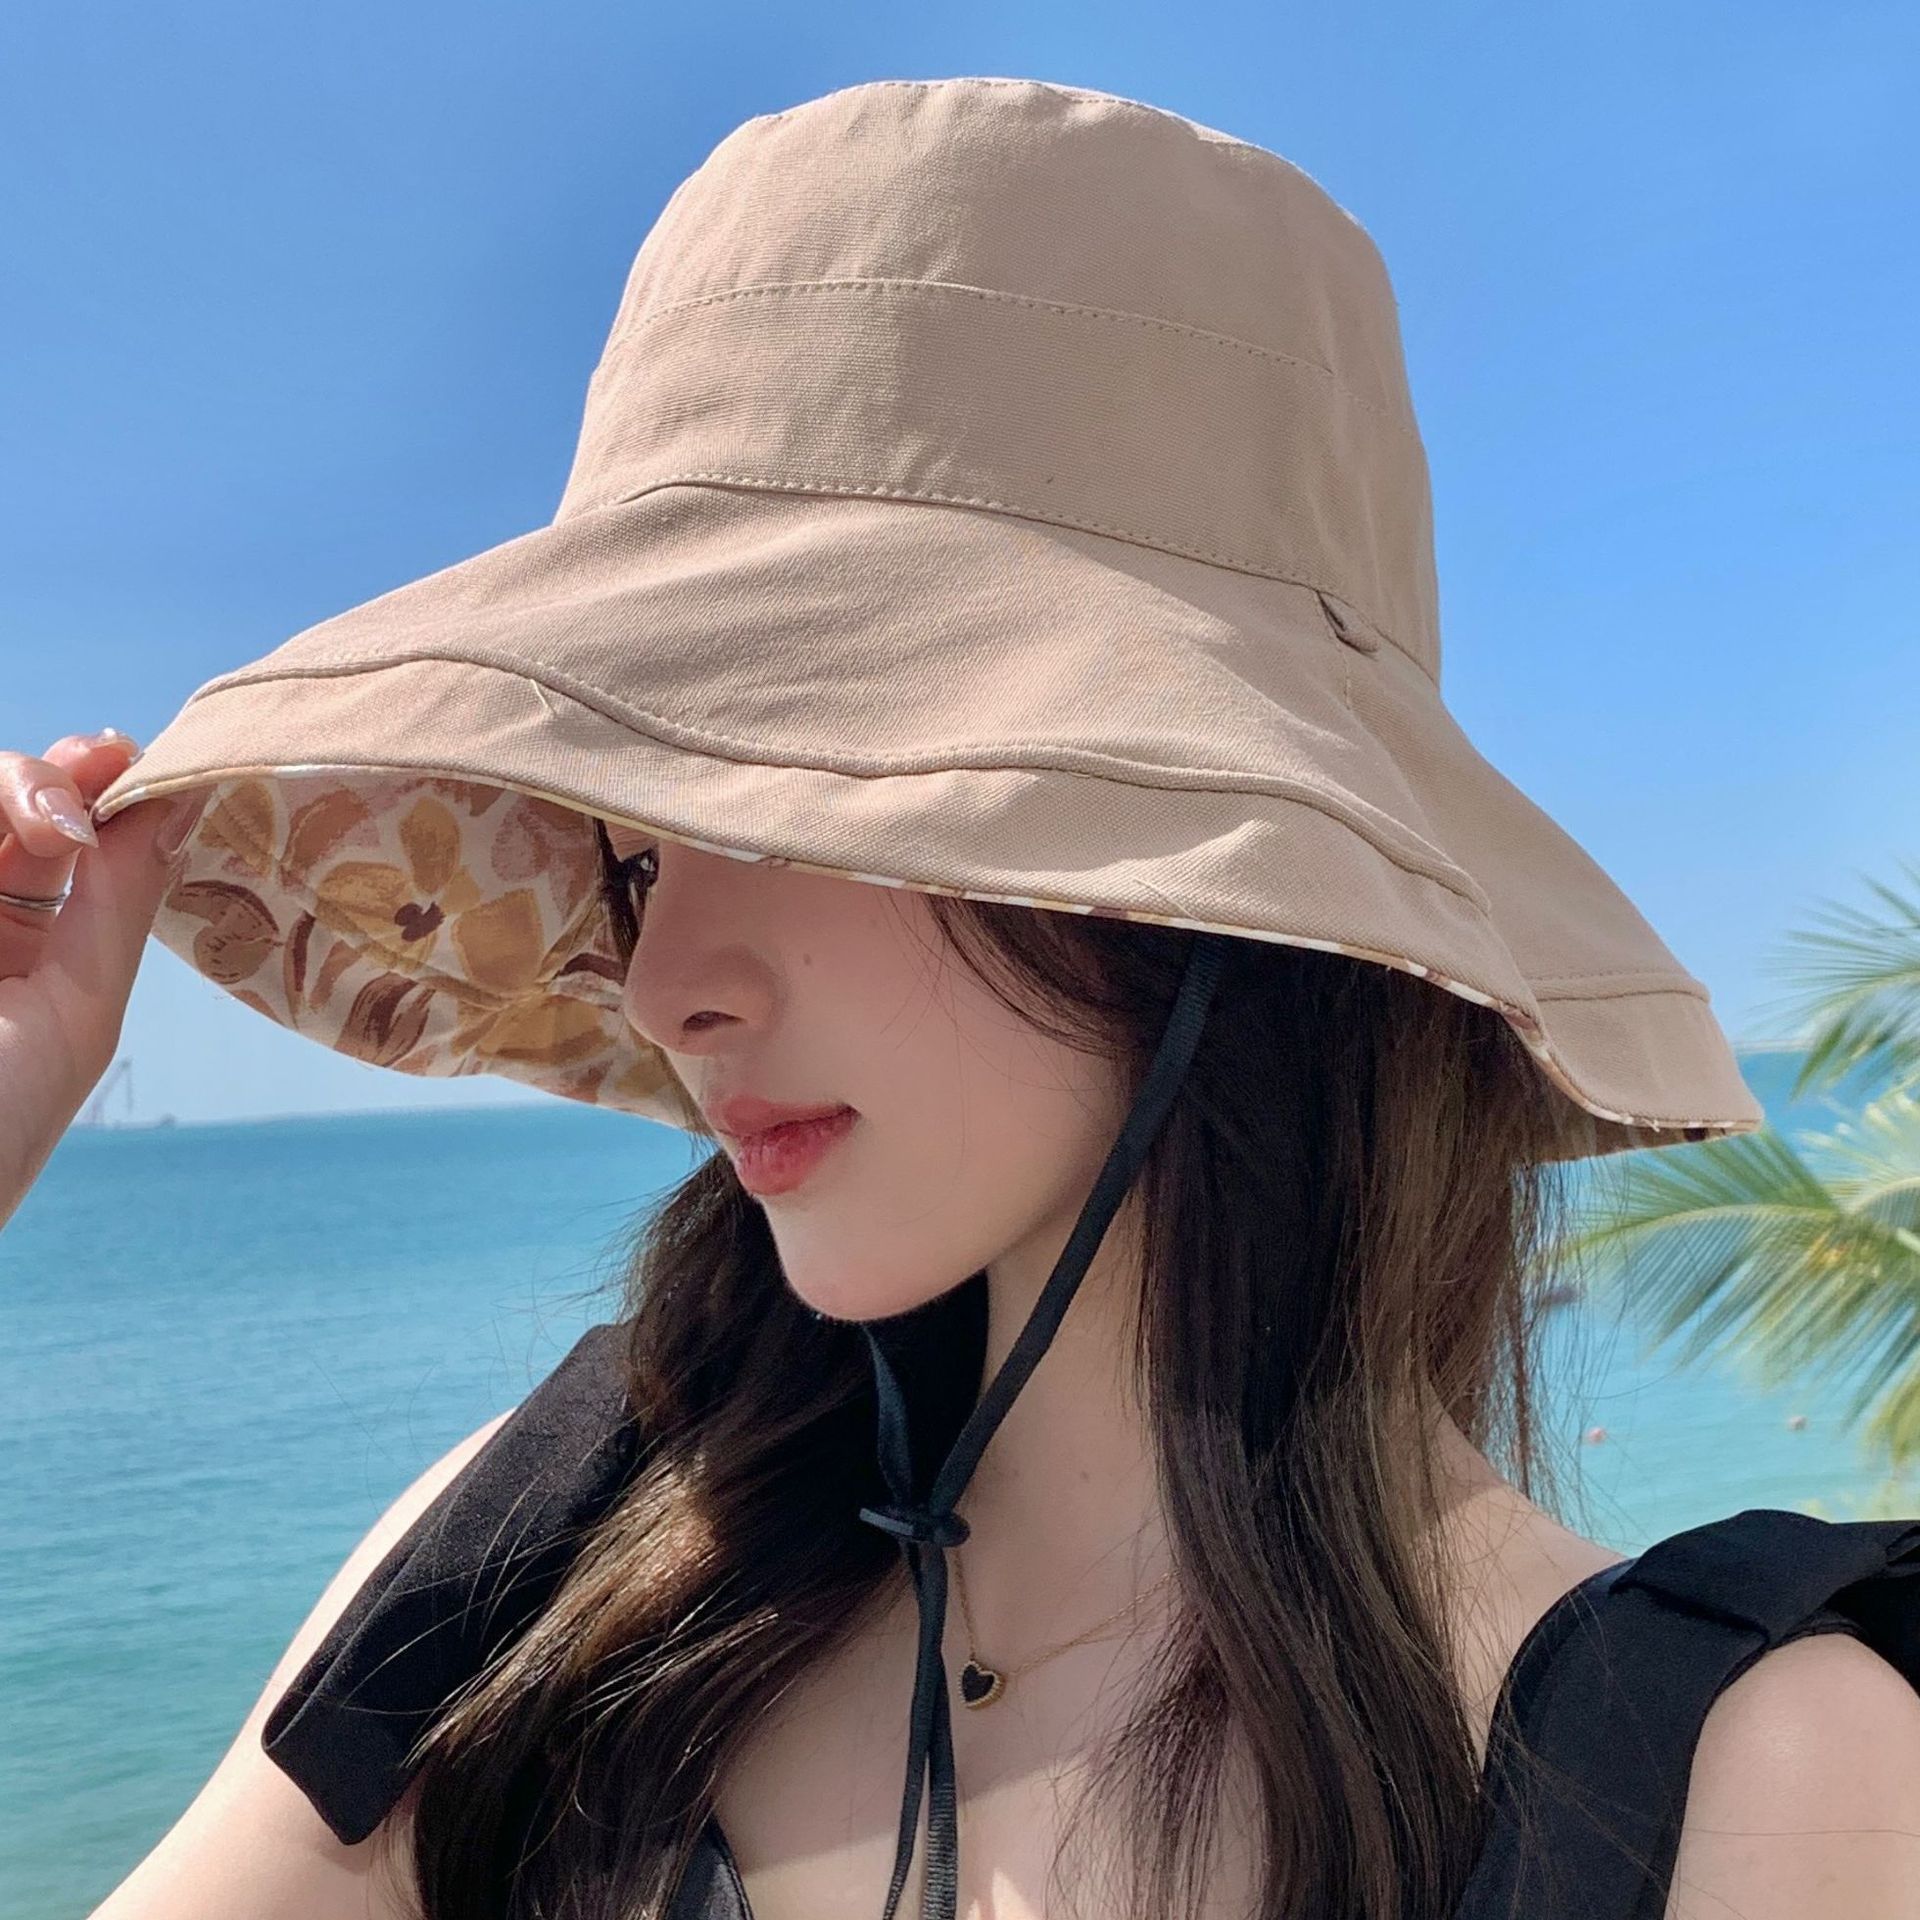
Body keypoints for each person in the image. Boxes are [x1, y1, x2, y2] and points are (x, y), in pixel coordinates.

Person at [8, 76, 1920, 1920]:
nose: (664, 984)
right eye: (642, 846)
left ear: (1201, 892)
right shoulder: (543, 1576)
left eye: (796, 801)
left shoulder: (1739, 1785)